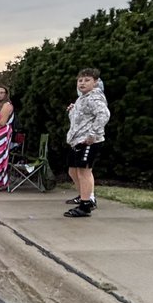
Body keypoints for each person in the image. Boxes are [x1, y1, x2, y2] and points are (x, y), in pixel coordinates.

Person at [64, 68, 110, 218]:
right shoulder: (82, 98)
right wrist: (72, 110)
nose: (82, 83)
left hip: (88, 141)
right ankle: (84, 196)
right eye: (80, 80)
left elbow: (104, 115)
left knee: (84, 171)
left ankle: (86, 205)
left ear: (95, 82)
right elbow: (79, 120)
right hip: (76, 141)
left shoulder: (94, 97)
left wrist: (92, 135)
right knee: (73, 170)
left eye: (87, 80)